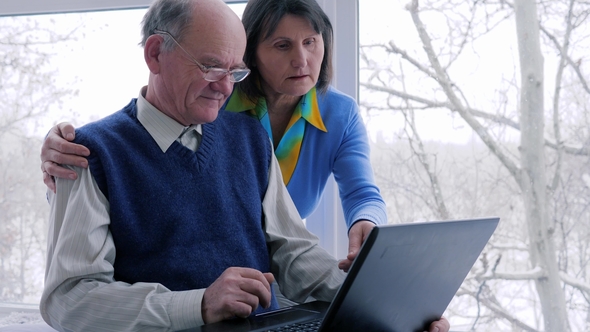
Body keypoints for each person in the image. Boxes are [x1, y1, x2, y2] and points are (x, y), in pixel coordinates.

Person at [40, 0, 387, 273]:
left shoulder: (308, 120)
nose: (301, 60)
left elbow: (297, 247)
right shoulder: (207, 102)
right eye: (282, 45)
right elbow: (140, 133)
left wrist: (376, 296)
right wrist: (74, 154)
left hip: (268, 291)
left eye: (311, 42)